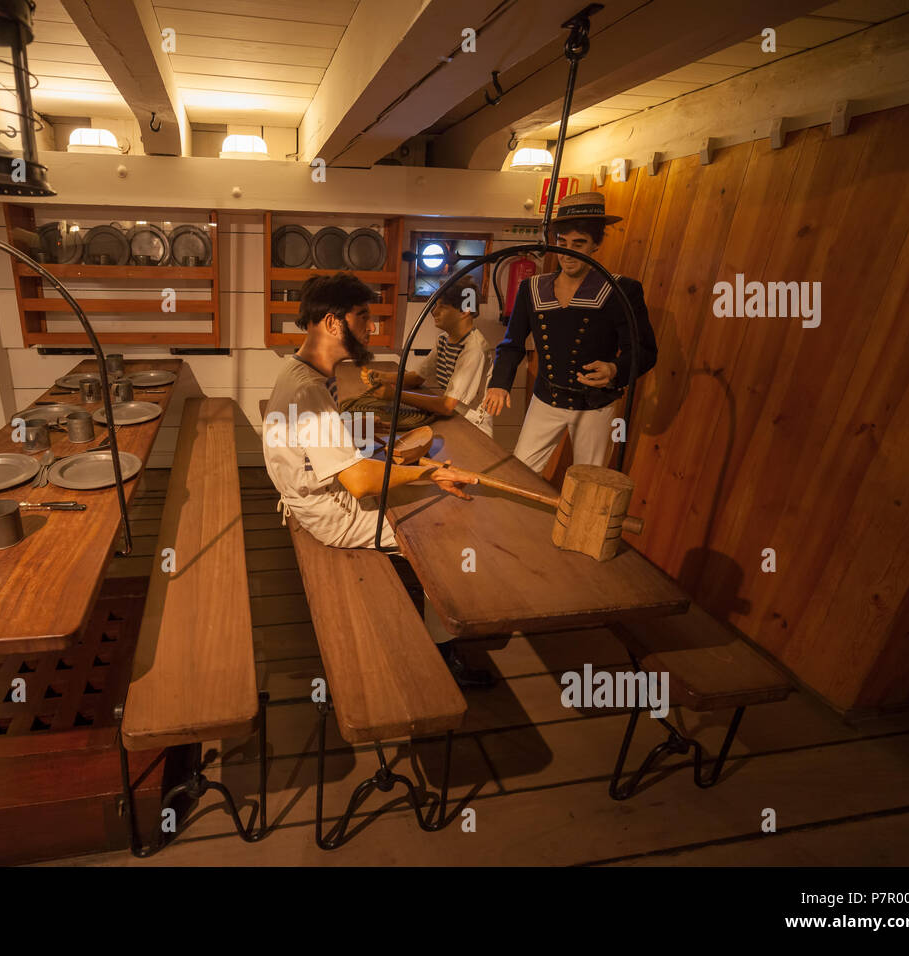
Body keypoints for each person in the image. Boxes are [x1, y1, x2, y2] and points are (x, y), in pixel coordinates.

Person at [261, 272, 492, 686]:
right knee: (444, 529)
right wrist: (429, 472)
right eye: (363, 316)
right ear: (333, 323)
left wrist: (380, 444)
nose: (372, 327)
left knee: (423, 490)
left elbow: (329, 448)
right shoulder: (307, 391)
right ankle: (440, 659)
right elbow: (360, 483)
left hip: (320, 494)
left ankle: (429, 627)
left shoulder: (307, 371)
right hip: (333, 513)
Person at [483, 192, 658, 475]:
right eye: (562, 244)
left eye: (579, 244)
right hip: (546, 399)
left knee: (589, 482)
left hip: (595, 405)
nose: (568, 254)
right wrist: (499, 382)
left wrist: (615, 368)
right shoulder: (532, 289)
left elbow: (645, 351)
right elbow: (512, 344)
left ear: (596, 244)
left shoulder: (620, 291)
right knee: (520, 472)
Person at [359, 276, 494, 436]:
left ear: (465, 311)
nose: (434, 312)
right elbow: (417, 377)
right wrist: (383, 377)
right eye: (435, 306)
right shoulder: (443, 340)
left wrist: (394, 395)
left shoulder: (474, 349)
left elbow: (447, 406)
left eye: (442, 306)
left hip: (472, 429)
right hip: (453, 420)